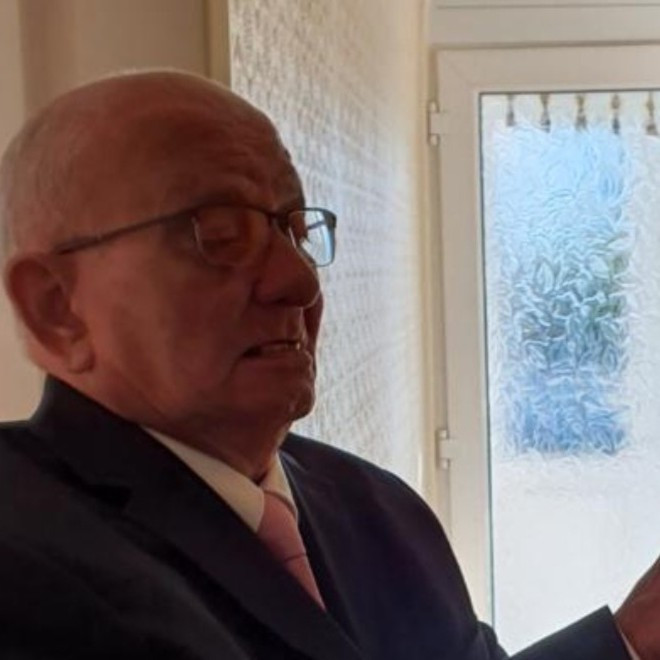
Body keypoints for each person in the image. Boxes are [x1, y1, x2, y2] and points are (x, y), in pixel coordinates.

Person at [0, 70, 655, 659]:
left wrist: (629, 640)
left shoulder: (379, 508)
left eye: (295, 230)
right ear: (56, 308)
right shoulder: (25, 554)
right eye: (220, 236)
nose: (299, 280)